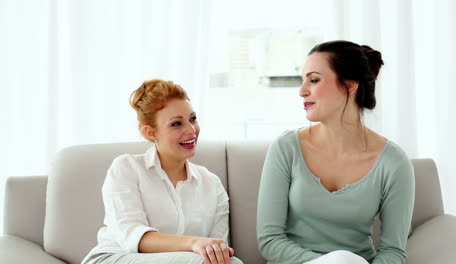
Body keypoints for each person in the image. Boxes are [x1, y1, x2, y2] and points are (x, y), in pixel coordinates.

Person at [257, 40, 415, 264]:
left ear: (350, 86)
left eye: (313, 80)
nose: (302, 91)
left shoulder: (394, 163)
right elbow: (270, 240)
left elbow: (393, 251)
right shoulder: (286, 148)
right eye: (303, 81)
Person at [82, 79, 243, 264]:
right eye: (176, 124)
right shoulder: (126, 168)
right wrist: (194, 243)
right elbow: (133, 236)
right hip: (115, 258)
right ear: (151, 133)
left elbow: (215, 250)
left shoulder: (211, 184)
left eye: (193, 119)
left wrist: (208, 249)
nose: (191, 130)